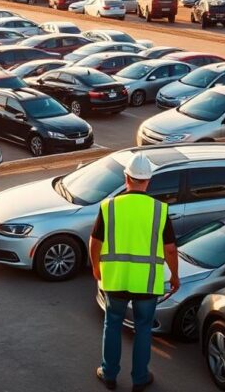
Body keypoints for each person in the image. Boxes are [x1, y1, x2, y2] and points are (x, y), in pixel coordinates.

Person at [89, 153, 180, 391]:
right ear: (148, 181)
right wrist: (175, 276)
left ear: (126, 177)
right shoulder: (159, 209)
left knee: (113, 325)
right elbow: (170, 249)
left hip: (116, 279)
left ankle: (109, 374)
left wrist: (97, 268)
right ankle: (140, 379)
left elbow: (95, 242)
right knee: (143, 329)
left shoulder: (109, 206)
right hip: (147, 283)